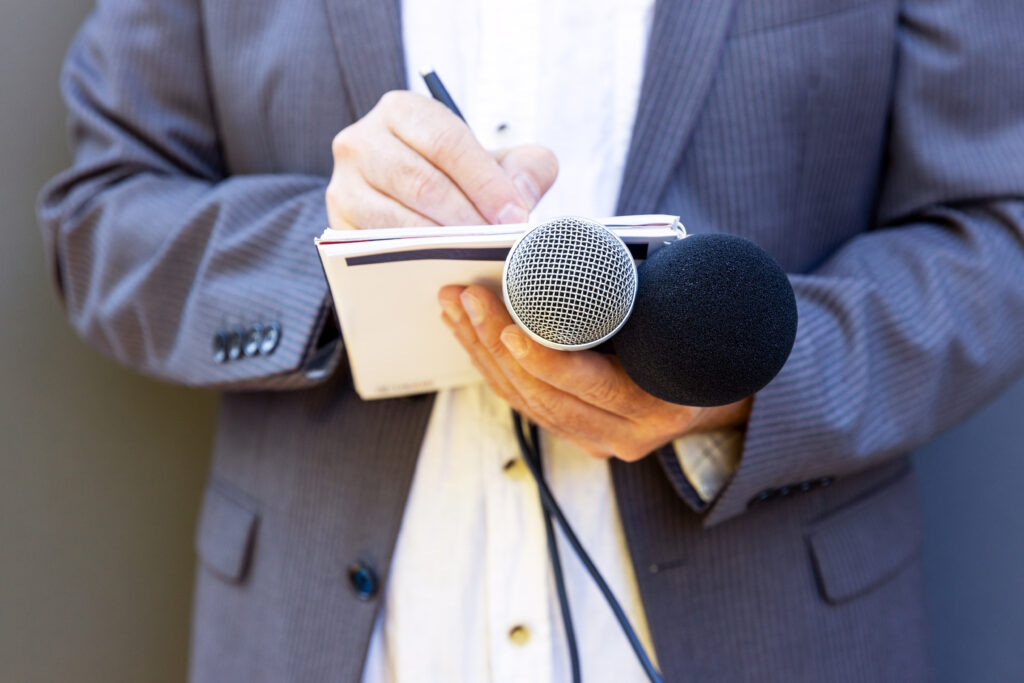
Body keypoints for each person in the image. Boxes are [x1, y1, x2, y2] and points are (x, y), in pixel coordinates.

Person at [38, 0, 1024, 681]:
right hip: (332, 633)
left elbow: (996, 225)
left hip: (771, 627)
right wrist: (329, 243)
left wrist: (745, 384)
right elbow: (102, 219)